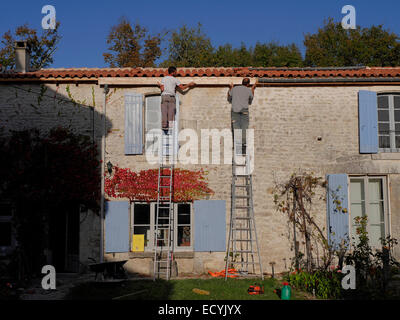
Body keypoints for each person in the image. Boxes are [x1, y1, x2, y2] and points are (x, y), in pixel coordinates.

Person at [157, 66, 196, 131]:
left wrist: (159, 85)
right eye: (175, 72)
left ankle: (164, 126)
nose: (176, 73)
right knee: (171, 112)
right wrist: (189, 84)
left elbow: (162, 89)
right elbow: (182, 88)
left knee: (164, 111)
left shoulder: (164, 79)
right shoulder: (175, 80)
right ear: (172, 72)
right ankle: (170, 126)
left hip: (164, 96)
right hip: (171, 97)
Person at [227, 78, 256, 154]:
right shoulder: (248, 90)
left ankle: (237, 146)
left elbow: (229, 96)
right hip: (244, 111)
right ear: (248, 84)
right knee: (244, 128)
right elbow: (251, 98)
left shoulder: (235, 89)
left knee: (236, 128)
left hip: (235, 111)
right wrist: (253, 89)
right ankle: (243, 147)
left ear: (242, 82)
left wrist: (231, 87)